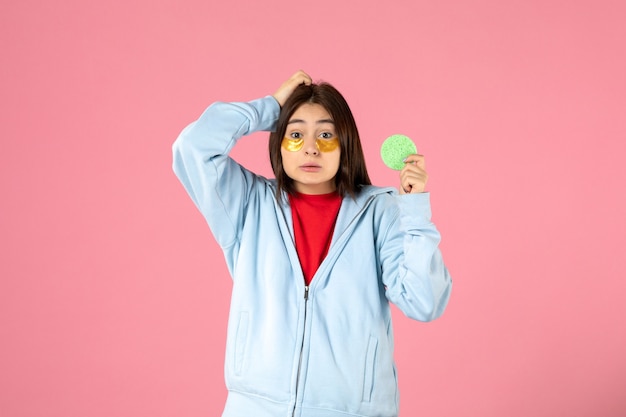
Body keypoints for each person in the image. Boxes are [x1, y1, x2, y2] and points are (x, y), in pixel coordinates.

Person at [172, 70, 452, 417]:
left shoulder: (382, 211)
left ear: (345, 143)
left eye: (325, 134)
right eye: (295, 134)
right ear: (279, 142)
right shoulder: (249, 204)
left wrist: (414, 211)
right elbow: (192, 146)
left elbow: (424, 302)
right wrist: (270, 108)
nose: (310, 147)